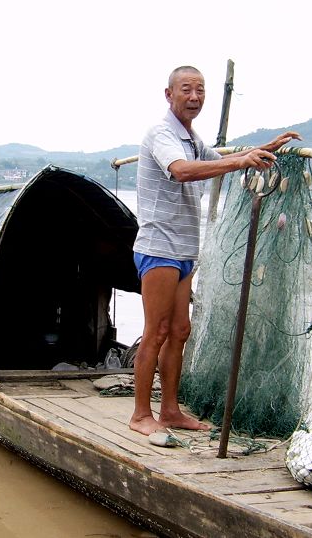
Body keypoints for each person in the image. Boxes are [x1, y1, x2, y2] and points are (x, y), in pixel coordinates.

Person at [129, 65, 302, 436]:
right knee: (155, 331)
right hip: (159, 246)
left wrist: (263, 150)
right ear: (169, 94)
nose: (194, 97)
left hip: (184, 248)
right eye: (186, 90)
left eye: (201, 91)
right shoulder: (162, 134)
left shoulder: (191, 137)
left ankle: (171, 410)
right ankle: (141, 414)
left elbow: (214, 160)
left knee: (179, 330)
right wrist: (240, 161)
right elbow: (182, 171)